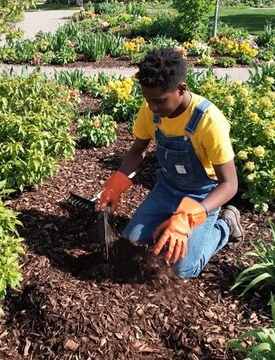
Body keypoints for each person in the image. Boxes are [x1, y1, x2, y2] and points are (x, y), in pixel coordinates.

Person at [98, 47, 245, 279]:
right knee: (130, 245)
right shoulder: (151, 110)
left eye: (159, 101)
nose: (153, 108)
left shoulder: (208, 121)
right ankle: (169, 223)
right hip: (166, 189)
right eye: (148, 101)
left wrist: (188, 216)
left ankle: (225, 226)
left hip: (201, 196)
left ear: (181, 88)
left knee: (182, 269)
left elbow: (229, 184)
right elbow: (137, 151)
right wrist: (117, 182)